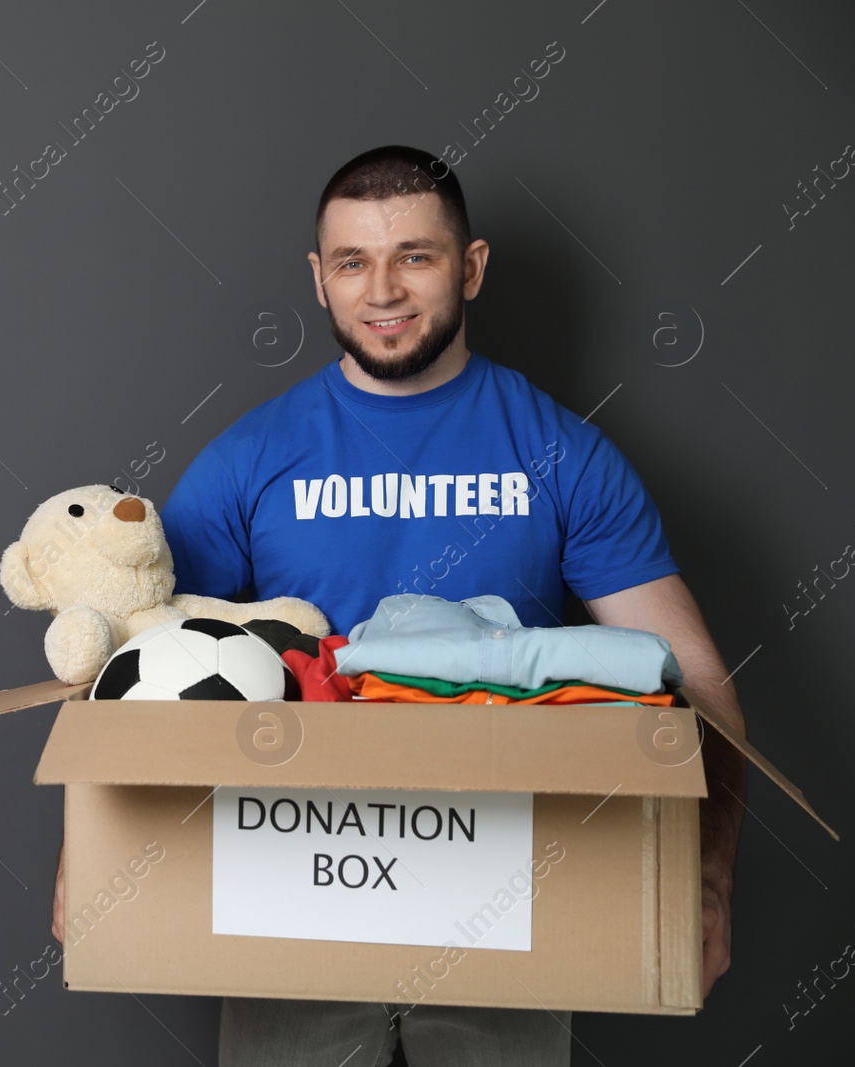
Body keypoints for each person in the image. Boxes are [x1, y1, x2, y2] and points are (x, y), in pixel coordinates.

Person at [50, 145, 747, 1065]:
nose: (382, 290)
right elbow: (140, 662)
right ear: (319, 278)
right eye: (352, 262)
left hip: (505, 896)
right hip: (292, 889)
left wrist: (704, 879)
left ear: (472, 266)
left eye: (414, 255)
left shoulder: (560, 455)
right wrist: (82, 855)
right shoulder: (251, 458)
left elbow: (691, 676)